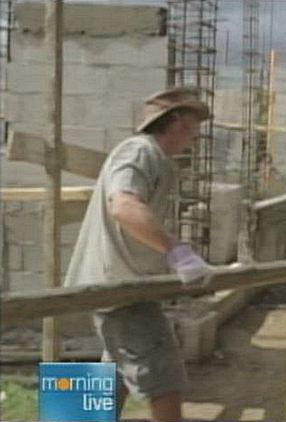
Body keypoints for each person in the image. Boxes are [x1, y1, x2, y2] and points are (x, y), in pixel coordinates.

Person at [64, 87, 214, 422]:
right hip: (123, 291)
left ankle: (72, 418)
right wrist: (177, 252)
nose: (196, 137)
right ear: (176, 123)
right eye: (193, 126)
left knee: (113, 370)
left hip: (119, 285)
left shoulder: (152, 157)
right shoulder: (140, 150)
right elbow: (124, 206)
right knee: (165, 378)